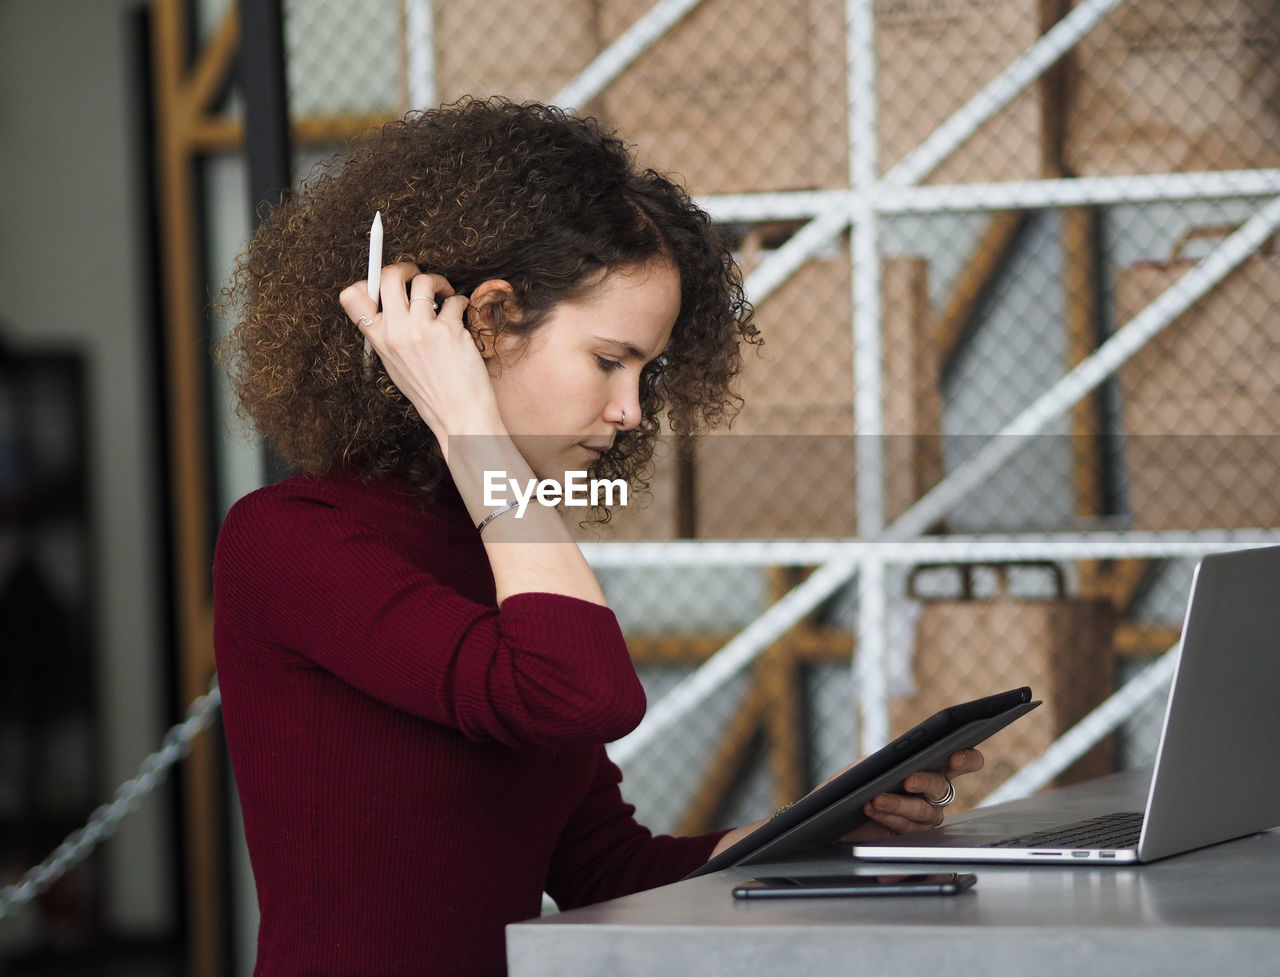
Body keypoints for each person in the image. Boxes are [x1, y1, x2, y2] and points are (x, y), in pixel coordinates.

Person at [213, 97, 982, 977]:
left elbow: (610, 870)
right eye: (610, 360)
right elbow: (577, 691)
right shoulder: (291, 539)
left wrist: (820, 822)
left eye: (647, 371)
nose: (628, 410)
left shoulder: (505, 549)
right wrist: (468, 415)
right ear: (488, 324)